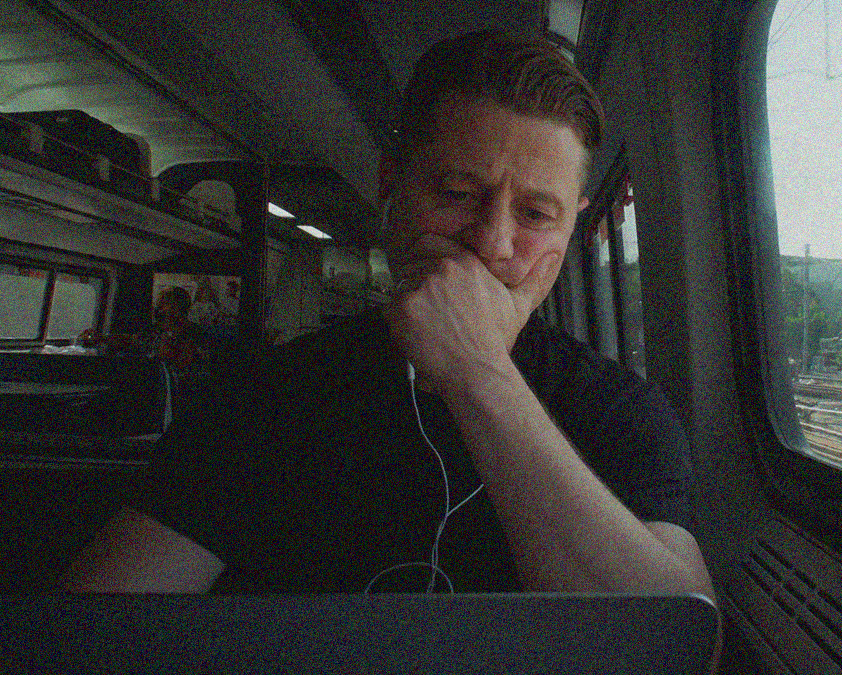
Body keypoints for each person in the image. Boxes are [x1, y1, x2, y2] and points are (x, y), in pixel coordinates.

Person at [61, 30, 712, 600]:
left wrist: (477, 371)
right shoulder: (264, 399)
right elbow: (101, 627)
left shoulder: (620, 411)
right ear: (389, 182)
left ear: (573, 226)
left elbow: (674, 650)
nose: (493, 242)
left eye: (537, 214)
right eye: (457, 193)